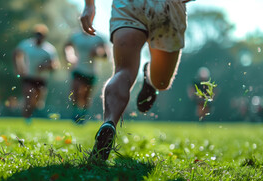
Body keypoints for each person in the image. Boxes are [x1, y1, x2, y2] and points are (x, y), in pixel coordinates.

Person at [80, 0, 192, 161]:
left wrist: (89, 6)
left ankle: (110, 121)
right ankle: (109, 124)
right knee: (148, 78)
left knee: (129, 72)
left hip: (140, 5)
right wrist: (89, 5)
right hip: (155, 5)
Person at [13, 24, 59, 119]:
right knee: (29, 98)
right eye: (37, 34)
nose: (39, 37)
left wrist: (45, 66)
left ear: (45, 36)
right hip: (28, 77)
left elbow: (55, 65)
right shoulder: (26, 44)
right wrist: (19, 67)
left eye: (41, 35)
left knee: (37, 103)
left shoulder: (49, 49)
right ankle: (26, 119)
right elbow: (16, 54)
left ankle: (31, 114)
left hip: (41, 79)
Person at [64, 30, 108, 124]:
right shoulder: (75, 36)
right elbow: (67, 47)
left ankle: (83, 116)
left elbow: (105, 55)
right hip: (78, 68)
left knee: (86, 97)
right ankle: (75, 114)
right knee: (75, 93)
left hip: (91, 72)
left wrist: (98, 52)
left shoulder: (98, 38)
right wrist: (70, 57)